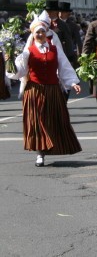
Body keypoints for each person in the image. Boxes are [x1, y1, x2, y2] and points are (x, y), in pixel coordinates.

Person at [7, 12, 82, 167]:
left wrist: (73, 82)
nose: (40, 34)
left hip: (53, 91)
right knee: (38, 122)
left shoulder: (55, 50)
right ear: (33, 35)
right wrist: (11, 64)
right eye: (37, 32)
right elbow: (20, 72)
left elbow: (64, 67)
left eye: (42, 31)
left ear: (46, 32)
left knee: (54, 121)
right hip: (34, 91)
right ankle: (40, 154)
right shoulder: (28, 52)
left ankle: (52, 148)